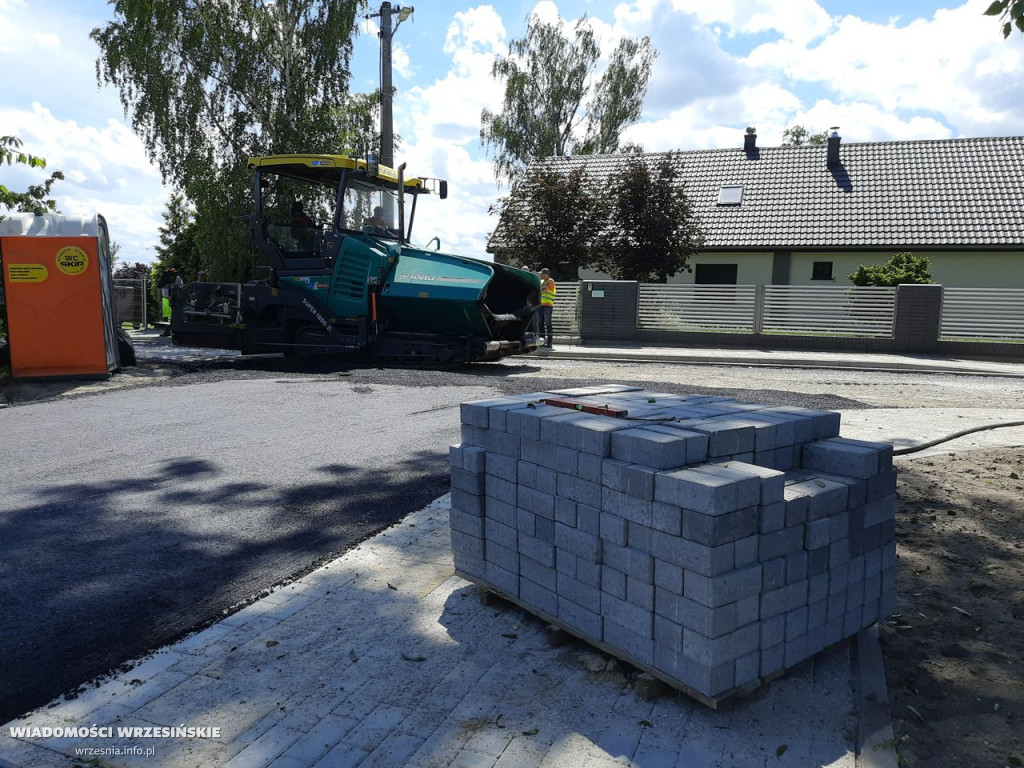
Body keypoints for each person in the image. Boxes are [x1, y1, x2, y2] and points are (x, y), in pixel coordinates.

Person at [538, 267, 556, 349]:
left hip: (548, 306)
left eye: (542, 274)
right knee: (540, 324)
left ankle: (549, 343)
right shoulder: (542, 282)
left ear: (546, 274)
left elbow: (543, 290)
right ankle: (542, 342)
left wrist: (539, 289)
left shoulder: (551, 281)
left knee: (548, 324)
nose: (540, 275)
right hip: (540, 306)